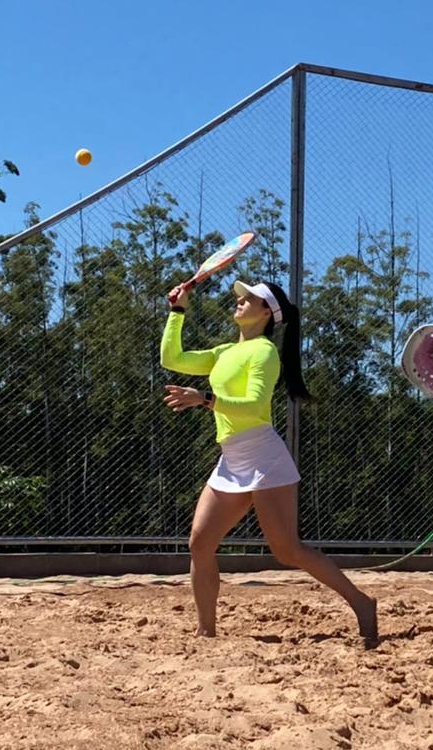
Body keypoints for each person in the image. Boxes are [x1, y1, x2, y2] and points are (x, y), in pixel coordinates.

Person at [161, 277, 378, 646]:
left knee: (287, 550)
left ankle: (361, 602)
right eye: (241, 298)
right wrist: (177, 312)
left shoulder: (264, 352)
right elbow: (172, 358)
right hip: (232, 459)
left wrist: (207, 400)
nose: (240, 301)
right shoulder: (225, 352)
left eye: (249, 298)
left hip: (263, 457)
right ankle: (206, 632)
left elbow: (256, 407)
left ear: (267, 312)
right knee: (199, 543)